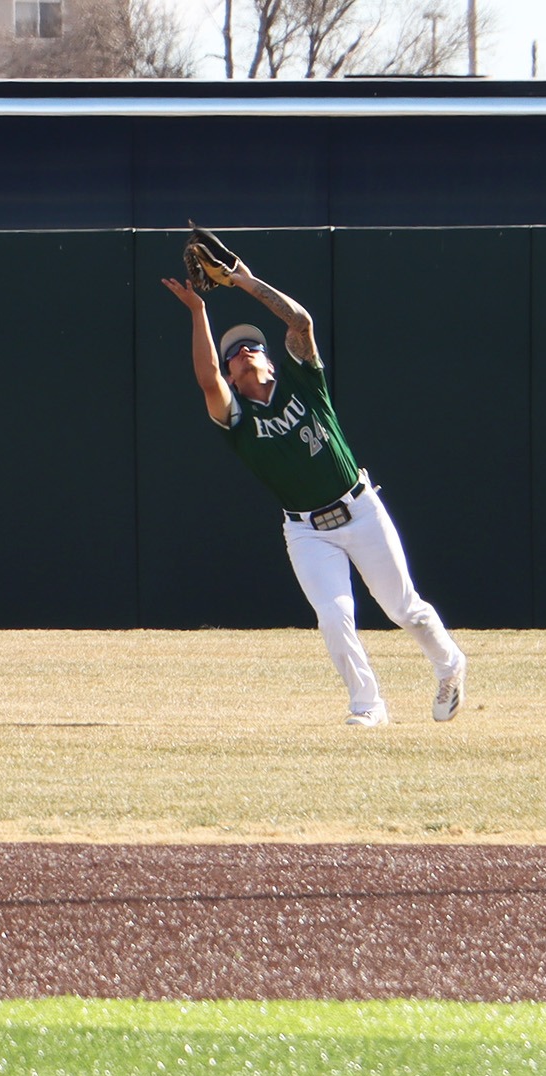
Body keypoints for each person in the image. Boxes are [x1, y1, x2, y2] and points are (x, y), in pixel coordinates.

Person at [162, 250, 466, 728]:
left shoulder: (306, 383)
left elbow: (299, 322)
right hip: (306, 530)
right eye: (234, 353)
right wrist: (200, 311)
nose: (244, 352)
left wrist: (244, 281)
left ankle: (449, 666)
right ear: (232, 378)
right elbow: (206, 379)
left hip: (360, 509)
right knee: (334, 615)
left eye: (253, 347)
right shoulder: (237, 419)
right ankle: (368, 706)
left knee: (402, 608)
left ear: (269, 360)